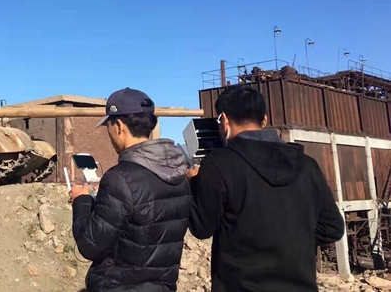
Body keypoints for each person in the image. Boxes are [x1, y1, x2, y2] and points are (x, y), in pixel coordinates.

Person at [186, 86, 345, 292]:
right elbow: (332, 228)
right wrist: (290, 240)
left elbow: (201, 228)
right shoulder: (307, 165)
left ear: (224, 120)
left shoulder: (218, 164)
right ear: (264, 120)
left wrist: (193, 183)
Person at [70, 87, 191, 292]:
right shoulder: (180, 173)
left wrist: (81, 200)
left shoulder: (120, 178)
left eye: (108, 126)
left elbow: (90, 245)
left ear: (119, 126)